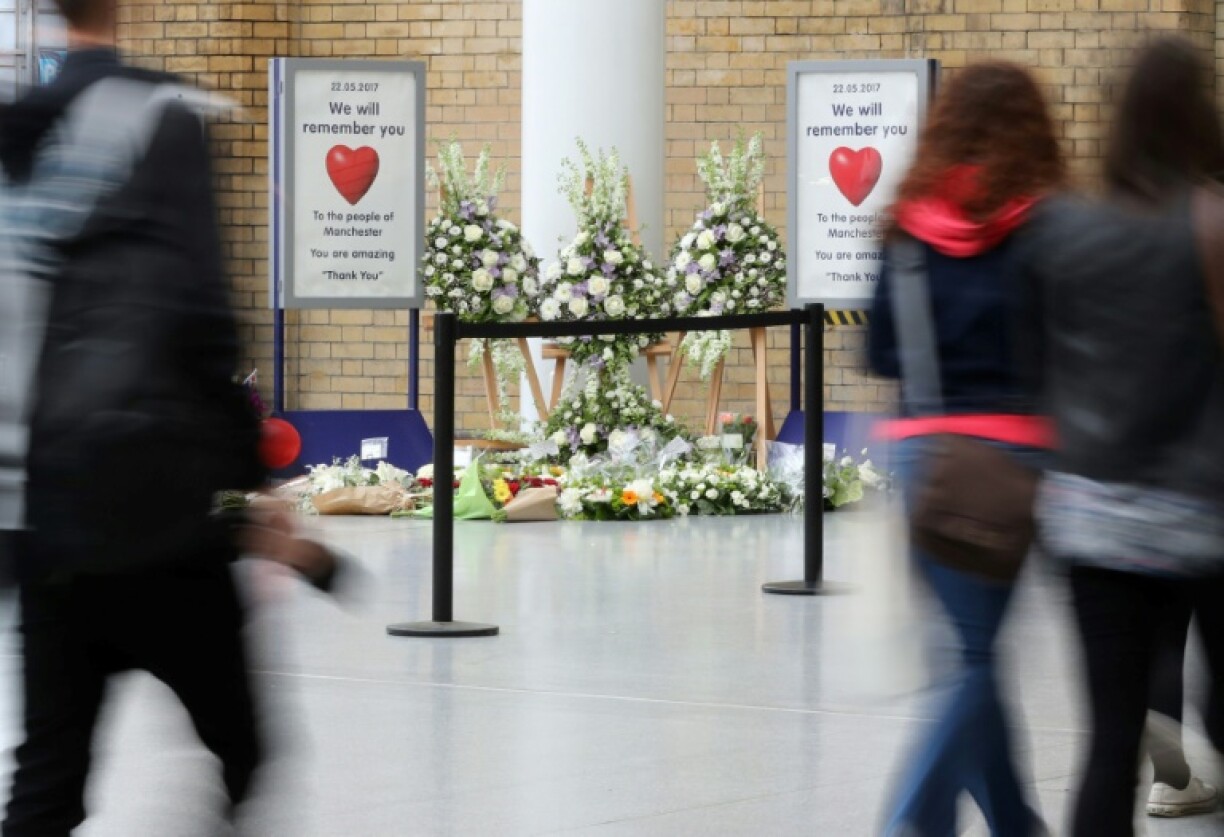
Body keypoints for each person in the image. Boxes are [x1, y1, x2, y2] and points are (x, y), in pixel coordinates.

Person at [0, 0, 270, 833]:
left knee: (46, 781)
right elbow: (200, 315)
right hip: (153, 506)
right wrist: (250, 478)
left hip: (36, 510)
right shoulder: (161, 116)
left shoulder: (13, 131)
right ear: (124, 9)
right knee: (245, 745)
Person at [1023, 37, 1224, 836]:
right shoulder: (1209, 222)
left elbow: (1040, 365)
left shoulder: (1063, 228)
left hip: (1090, 517)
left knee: (1110, 742)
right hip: (1199, 514)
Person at [868, 62, 1063, 837]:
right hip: (1015, 466)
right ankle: (913, 819)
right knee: (975, 659)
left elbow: (881, 351)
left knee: (966, 654)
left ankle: (1014, 822)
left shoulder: (906, 230)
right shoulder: (1043, 229)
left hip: (923, 458)